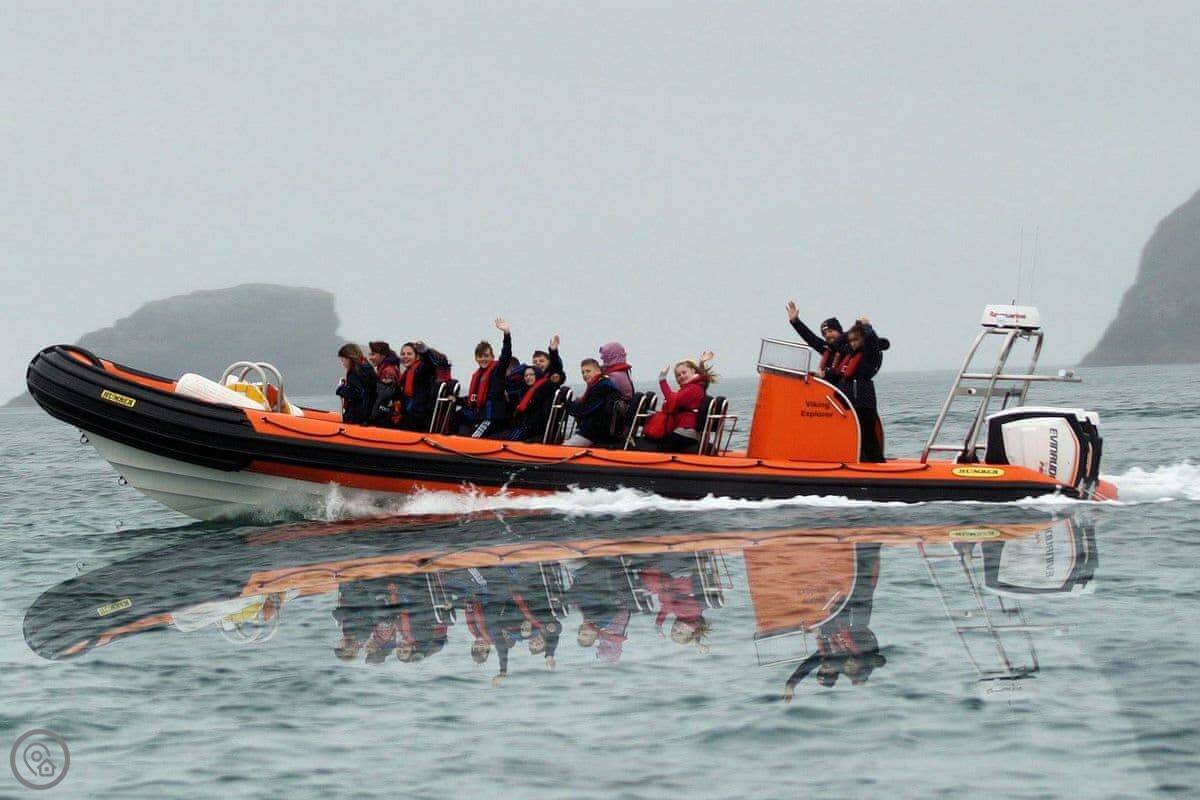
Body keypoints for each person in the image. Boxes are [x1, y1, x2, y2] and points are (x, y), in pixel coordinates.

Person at [637, 351, 716, 452]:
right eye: (678, 375)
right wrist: (701, 363)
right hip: (686, 431)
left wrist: (662, 380)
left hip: (686, 432)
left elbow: (671, 401)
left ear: (693, 371)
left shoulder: (693, 389)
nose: (681, 376)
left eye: (684, 373)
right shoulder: (696, 386)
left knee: (658, 447)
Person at [834, 320, 887, 462]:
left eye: (856, 340)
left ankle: (877, 463)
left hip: (864, 401)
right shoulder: (849, 354)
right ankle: (864, 462)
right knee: (857, 436)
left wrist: (865, 327)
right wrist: (850, 332)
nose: (852, 343)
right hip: (851, 403)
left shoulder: (870, 354)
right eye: (851, 340)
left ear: (863, 339)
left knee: (868, 436)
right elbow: (835, 344)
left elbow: (870, 339)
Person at [455, 318, 514, 438]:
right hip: (478, 417)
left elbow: (506, 355)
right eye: (480, 356)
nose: (483, 359)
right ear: (476, 358)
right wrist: (455, 399)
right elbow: (472, 399)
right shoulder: (477, 376)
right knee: (457, 421)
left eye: (486, 356)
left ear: (492, 357)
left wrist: (507, 334)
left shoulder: (497, 372)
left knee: (473, 438)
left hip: (492, 418)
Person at [509, 335, 565, 442]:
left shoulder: (551, 380)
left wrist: (553, 352)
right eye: (535, 362)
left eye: (541, 361)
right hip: (528, 424)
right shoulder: (529, 381)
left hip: (542, 425)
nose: (538, 363)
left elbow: (557, 368)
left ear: (549, 362)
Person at [563, 358, 620, 447]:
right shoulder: (599, 384)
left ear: (598, 371)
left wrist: (568, 405)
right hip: (592, 430)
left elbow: (585, 409)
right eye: (583, 372)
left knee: (565, 447)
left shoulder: (602, 387)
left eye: (588, 371)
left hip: (594, 432)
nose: (585, 375)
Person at [785, 301, 848, 381]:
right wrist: (795, 322)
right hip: (826, 387)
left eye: (831, 331)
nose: (828, 335)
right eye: (824, 334)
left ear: (839, 331)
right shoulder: (827, 348)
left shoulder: (850, 348)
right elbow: (810, 338)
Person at [397, 341, 451, 432]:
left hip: (420, 417)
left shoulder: (422, 369)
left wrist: (425, 351)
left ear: (417, 356)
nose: (405, 356)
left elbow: (430, 364)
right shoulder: (405, 374)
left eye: (409, 354)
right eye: (403, 354)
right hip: (407, 414)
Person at [335, 343, 377, 425]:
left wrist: (341, 389)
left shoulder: (354, 372)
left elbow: (355, 392)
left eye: (343, 360)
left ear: (349, 358)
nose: (342, 363)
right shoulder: (367, 367)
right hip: (369, 412)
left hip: (358, 415)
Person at [367, 341, 404, 427]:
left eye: (373, 354)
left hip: (387, 416)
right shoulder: (385, 368)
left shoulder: (388, 371)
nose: (370, 358)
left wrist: (373, 416)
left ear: (382, 356)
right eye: (370, 354)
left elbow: (384, 397)